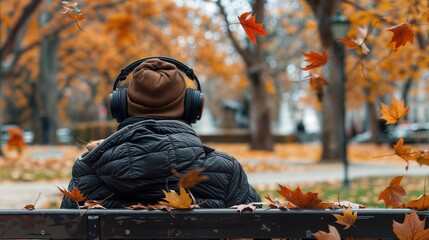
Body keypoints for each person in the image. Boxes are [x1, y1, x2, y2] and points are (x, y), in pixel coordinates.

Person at [60, 57, 261, 209]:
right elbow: (258, 230)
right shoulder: (226, 171)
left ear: (120, 106)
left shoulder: (89, 172)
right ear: (192, 107)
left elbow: (63, 232)